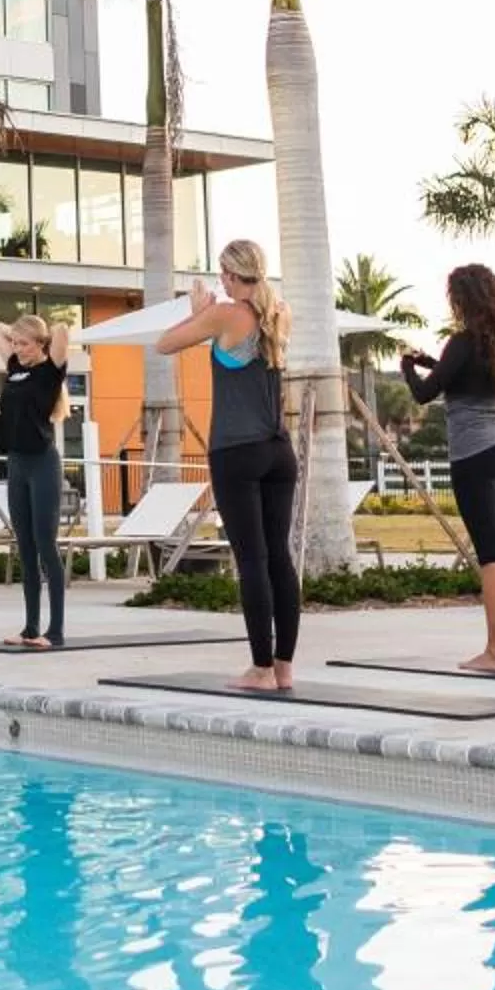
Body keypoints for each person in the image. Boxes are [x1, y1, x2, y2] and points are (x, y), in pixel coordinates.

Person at [156, 238, 299, 692]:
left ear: (234, 275)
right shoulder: (280, 312)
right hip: (279, 451)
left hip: (237, 450)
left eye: (222, 274)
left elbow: (165, 344)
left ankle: (260, 668)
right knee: (279, 557)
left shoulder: (226, 313)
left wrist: (199, 310)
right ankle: (283, 667)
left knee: (252, 559)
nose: (219, 282)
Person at [402, 263, 495, 673]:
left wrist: (407, 367)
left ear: (462, 299)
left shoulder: (461, 342)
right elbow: (456, 376)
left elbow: (424, 394)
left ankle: (493, 653)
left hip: (475, 454)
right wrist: (430, 361)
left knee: (490, 554)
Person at [0, 312, 74, 647]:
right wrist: (16, 332)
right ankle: (30, 628)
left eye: (24, 344)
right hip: (17, 464)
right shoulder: (15, 369)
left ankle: (54, 632)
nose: (16, 348)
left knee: (45, 546)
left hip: (42, 463)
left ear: (41, 345)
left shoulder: (49, 371)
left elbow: (62, 331)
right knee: (24, 547)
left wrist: (41, 337)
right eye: (15, 343)